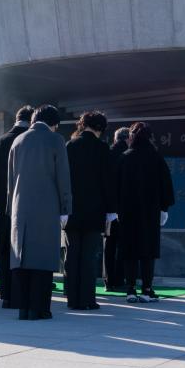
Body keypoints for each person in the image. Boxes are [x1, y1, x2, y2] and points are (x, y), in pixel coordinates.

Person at [7, 104, 72, 320]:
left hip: (19, 208)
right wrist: (65, 208)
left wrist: (10, 208)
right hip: (46, 206)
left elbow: (10, 179)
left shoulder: (18, 140)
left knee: (21, 259)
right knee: (43, 260)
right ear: (54, 124)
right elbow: (63, 177)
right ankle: (39, 308)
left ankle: (23, 308)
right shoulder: (56, 140)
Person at [116, 122, 174, 303]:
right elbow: (166, 185)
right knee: (148, 251)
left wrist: (115, 209)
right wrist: (164, 208)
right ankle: (147, 289)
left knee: (130, 251)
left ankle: (131, 289)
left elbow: (114, 187)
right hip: (150, 212)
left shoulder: (124, 157)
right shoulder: (156, 157)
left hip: (128, 212)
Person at [64, 112, 116, 310]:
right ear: (100, 128)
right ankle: (87, 299)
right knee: (89, 257)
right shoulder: (103, 149)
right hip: (95, 211)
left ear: (82, 124)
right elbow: (108, 183)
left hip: (71, 211)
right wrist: (111, 211)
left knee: (71, 254)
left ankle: (72, 298)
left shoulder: (70, 146)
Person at [0, 105, 33, 308]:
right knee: (25, 251)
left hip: (2, 206)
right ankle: (22, 293)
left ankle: (6, 293)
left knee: (5, 250)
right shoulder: (32, 140)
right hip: (26, 204)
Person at [102, 126, 130, 291]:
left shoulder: (108, 154)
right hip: (124, 206)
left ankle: (108, 280)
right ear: (127, 139)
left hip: (108, 207)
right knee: (122, 244)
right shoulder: (128, 155)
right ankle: (120, 279)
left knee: (109, 243)